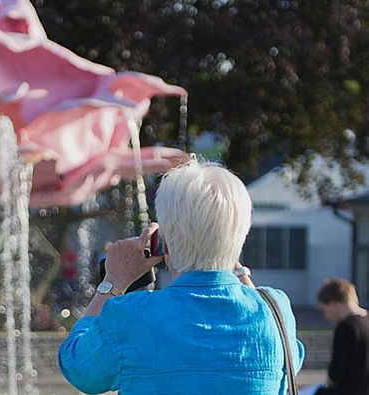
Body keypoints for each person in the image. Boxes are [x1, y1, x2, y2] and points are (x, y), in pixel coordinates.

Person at [58, 158, 304, 394]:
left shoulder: (131, 316)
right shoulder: (276, 311)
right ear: (241, 234)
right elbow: (292, 360)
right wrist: (235, 268)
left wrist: (113, 282)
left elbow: (77, 366)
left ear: (164, 242)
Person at [312, 278, 369, 395]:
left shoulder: (346, 327)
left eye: (324, 310)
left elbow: (336, 372)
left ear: (334, 303)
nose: (326, 317)